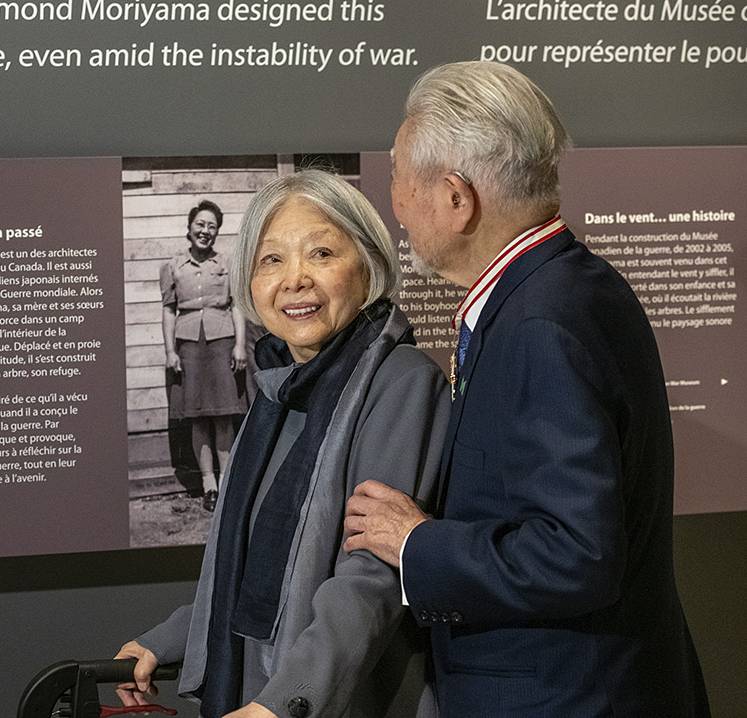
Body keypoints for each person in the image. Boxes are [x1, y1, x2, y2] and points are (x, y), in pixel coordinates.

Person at [343, 61, 710, 716]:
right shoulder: (566, 286)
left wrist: (416, 542)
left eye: (399, 177)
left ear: (457, 199)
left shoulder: (542, 323)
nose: (394, 203)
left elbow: (577, 554)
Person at [120, 170, 451, 718]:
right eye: (271, 260)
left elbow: (373, 579)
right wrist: (174, 636)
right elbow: (257, 562)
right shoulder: (279, 386)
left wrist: (284, 703)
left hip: (337, 696)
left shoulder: (403, 383)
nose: (294, 280)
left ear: (368, 264)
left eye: (321, 253)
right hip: (263, 685)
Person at [160, 200, 248, 511]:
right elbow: (169, 310)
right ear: (190, 227)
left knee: (224, 414)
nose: (205, 231)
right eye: (200, 224)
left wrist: (239, 345)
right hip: (188, 345)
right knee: (196, 415)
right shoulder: (173, 266)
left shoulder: (227, 263)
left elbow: (237, 305)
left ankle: (225, 483)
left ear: (217, 232)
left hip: (222, 340)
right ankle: (208, 484)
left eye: (212, 226)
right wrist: (170, 350)